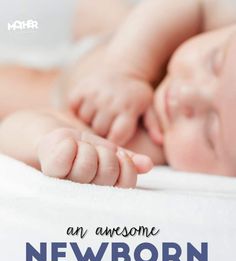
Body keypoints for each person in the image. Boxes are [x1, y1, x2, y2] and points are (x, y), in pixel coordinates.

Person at [1, 0, 236, 188]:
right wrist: (125, 68)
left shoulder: (137, 138)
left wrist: (51, 141)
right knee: (99, 11)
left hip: (65, 89)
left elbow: (11, 130)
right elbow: (195, 6)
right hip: (120, 36)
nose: (184, 94)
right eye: (214, 63)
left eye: (210, 132)